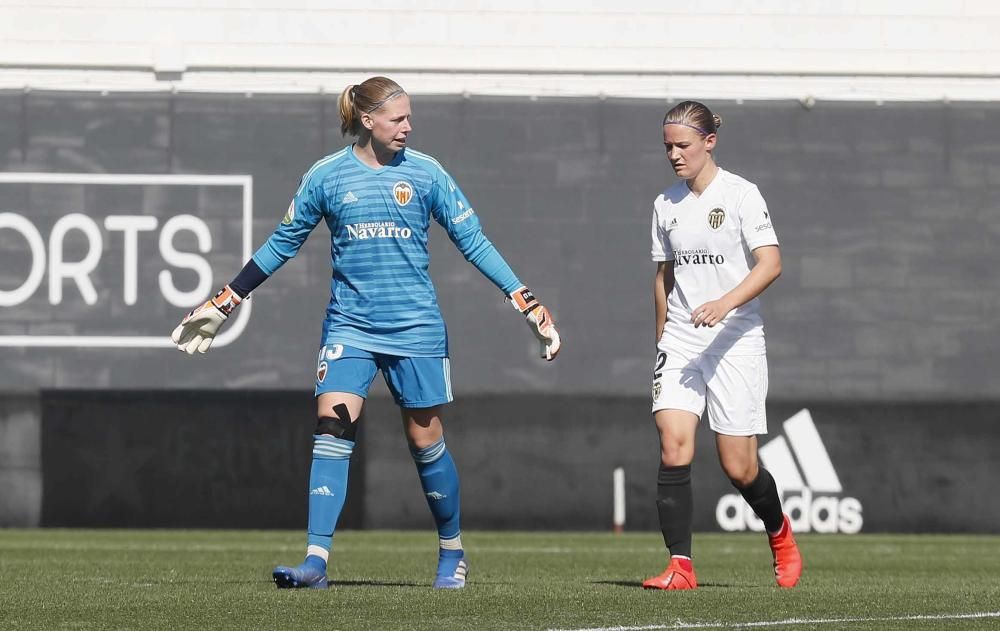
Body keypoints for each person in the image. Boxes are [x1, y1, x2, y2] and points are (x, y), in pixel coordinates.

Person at [170, 76, 561, 590]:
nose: (407, 127)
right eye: (398, 118)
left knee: (426, 441)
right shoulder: (327, 177)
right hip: (350, 327)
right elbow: (281, 244)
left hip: (417, 328)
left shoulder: (426, 174)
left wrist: (525, 300)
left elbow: (474, 241)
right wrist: (227, 299)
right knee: (331, 428)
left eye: (408, 118)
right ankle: (315, 561)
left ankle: (452, 551)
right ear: (368, 119)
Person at [642, 100, 801, 590]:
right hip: (683, 339)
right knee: (674, 445)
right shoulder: (665, 204)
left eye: (683, 145)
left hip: (734, 338)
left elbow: (770, 264)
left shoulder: (741, 195)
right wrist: (663, 335)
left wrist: (725, 304)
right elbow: (663, 276)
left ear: (709, 142)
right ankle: (680, 567)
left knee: (739, 465)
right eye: (668, 146)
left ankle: (780, 535)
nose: (674, 155)